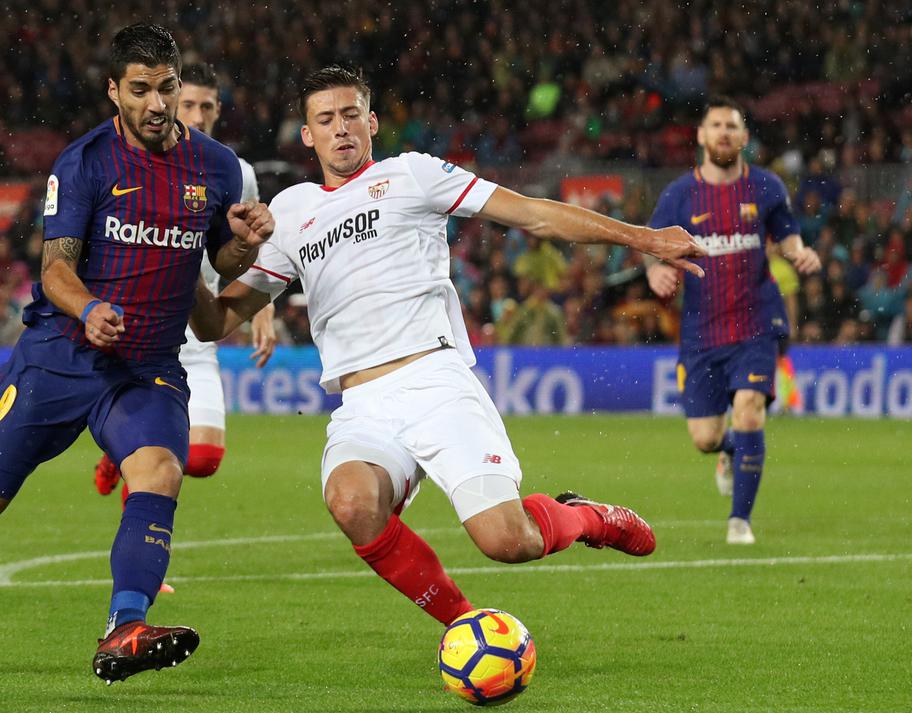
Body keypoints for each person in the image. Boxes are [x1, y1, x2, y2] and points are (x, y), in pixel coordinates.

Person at [189, 66, 705, 630]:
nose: (341, 129)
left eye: (351, 115)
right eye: (325, 120)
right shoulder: (289, 212)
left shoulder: (412, 175)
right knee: (352, 502)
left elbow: (534, 214)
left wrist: (645, 239)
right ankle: (468, 626)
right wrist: (187, 252)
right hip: (362, 405)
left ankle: (586, 517)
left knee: (509, 541)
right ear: (307, 135)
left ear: (373, 122)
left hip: (435, 383)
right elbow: (215, 322)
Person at [0, 24, 274, 684]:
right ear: (115, 91)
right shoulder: (84, 163)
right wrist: (89, 309)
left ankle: (125, 626)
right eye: (139, 90)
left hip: (146, 367)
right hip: (61, 356)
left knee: (162, 469)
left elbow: (219, 264)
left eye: (167, 88)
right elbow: (55, 269)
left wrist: (244, 245)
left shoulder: (217, 167)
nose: (157, 104)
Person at [93, 63, 277, 548]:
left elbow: (250, 247)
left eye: (207, 106)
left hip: (199, 330)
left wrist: (263, 310)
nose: (197, 114)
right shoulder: (139, 160)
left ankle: (119, 452)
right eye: (189, 103)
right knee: (157, 455)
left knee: (203, 459)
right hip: (147, 328)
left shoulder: (236, 172)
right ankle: (137, 543)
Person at [645, 96, 821, 545]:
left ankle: (739, 520)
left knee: (749, 410)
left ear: (743, 137)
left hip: (756, 324)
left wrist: (799, 252)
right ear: (701, 136)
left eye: (732, 126)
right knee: (705, 437)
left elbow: (786, 232)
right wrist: (657, 270)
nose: (724, 132)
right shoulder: (679, 195)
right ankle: (727, 453)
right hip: (702, 332)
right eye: (716, 125)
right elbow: (653, 247)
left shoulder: (765, 187)